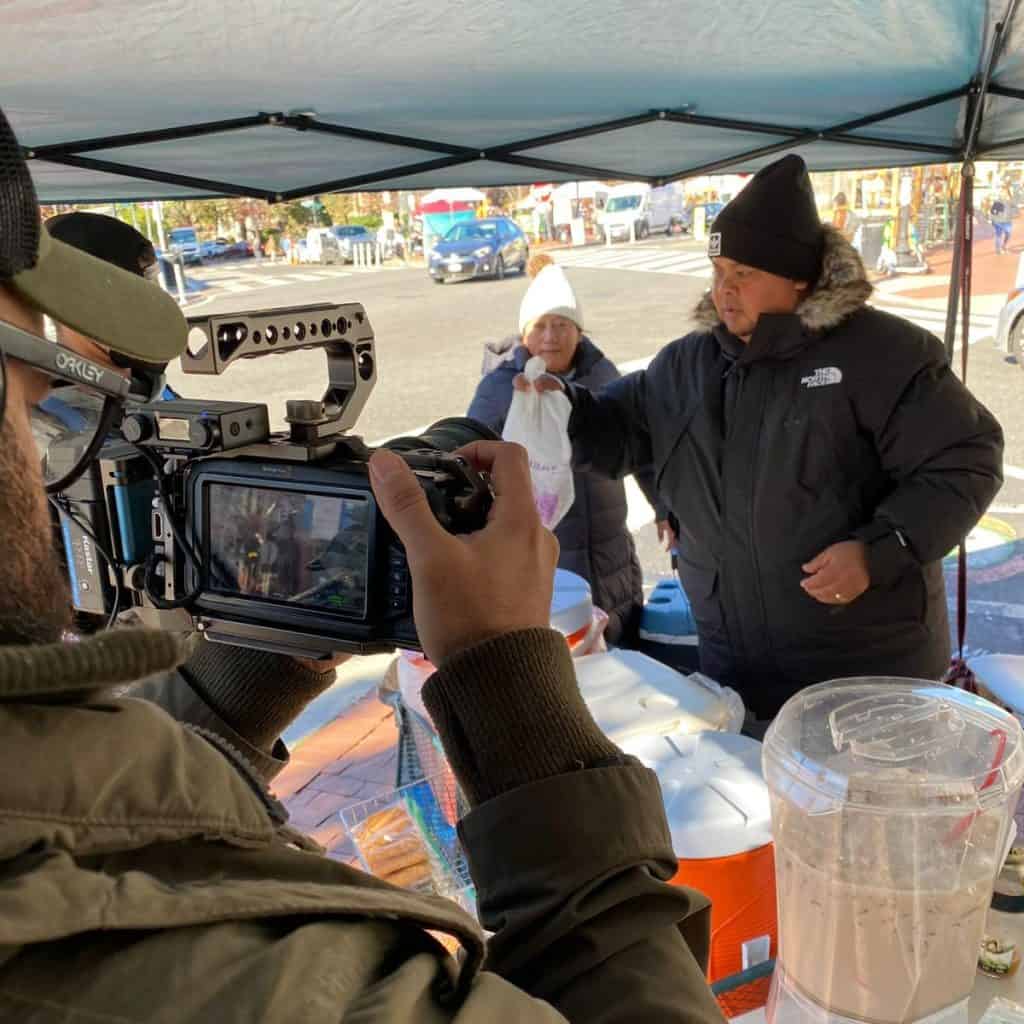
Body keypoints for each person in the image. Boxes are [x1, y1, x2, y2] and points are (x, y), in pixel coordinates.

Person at [0, 108, 720, 1023]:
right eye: (36, 406)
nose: (55, 465)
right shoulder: (258, 987)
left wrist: (259, 661)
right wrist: (513, 695)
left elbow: (95, 823)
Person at [520, 154, 1003, 725]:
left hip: (869, 673)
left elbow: (965, 460)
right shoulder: (686, 365)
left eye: (744, 275)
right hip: (736, 668)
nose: (725, 291)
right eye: (719, 273)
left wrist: (881, 550)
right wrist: (561, 406)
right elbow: (617, 435)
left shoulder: (883, 355)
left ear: (799, 275)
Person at [468, 262, 661, 645]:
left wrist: (665, 506)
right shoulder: (501, 387)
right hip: (543, 561)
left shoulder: (604, 376)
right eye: (540, 325)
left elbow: (637, 446)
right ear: (524, 333)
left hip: (610, 557)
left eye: (562, 325)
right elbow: (469, 461)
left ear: (579, 331)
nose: (551, 337)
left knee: (620, 660)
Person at [991, 189, 1013, 255]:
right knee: (999, 235)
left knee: (1008, 234)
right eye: (1002, 193)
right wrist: (996, 213)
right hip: (998, 222)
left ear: (1007, 194)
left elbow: (1015, 209)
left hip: (1007, 221)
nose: (1004, 194)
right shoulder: (997, 202)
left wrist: (1012, 214)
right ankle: (998, 250)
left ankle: (1004, 246)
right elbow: (992, 210)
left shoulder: (1009, 202)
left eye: (1005, 193)